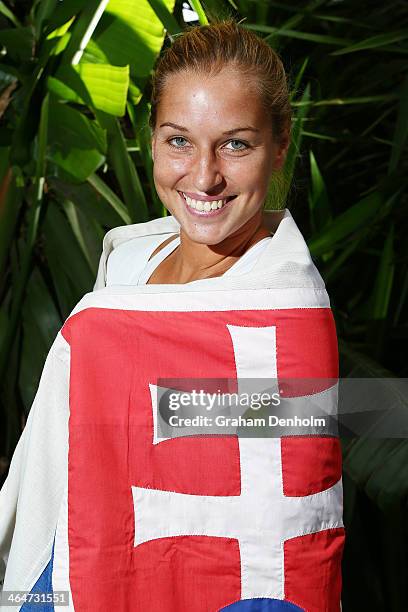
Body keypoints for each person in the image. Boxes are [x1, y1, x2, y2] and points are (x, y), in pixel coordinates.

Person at [0, 20, 344, 612]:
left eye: (236, 143)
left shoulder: (286, 313)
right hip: (85, 552)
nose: (205, 176)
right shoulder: (133, 262)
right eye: (179, 141)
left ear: (281, 143)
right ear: (151, 139)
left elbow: (277, 512)